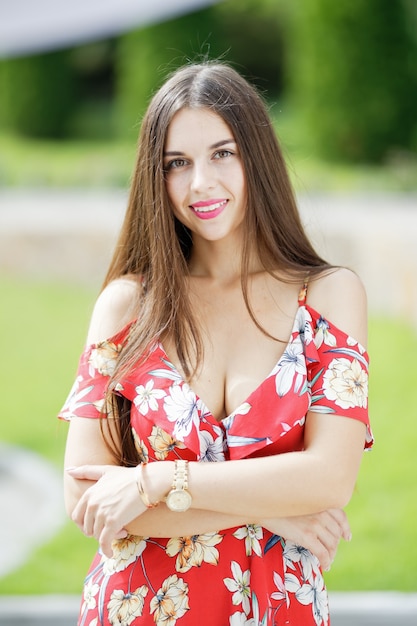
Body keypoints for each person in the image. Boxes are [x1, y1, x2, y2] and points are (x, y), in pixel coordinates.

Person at [59, 61, 373, 626]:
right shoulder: (129, 307)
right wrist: (276, 512)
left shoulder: (327, 297)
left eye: (222, 153)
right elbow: (86, 497)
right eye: (176, 164)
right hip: (139, 607)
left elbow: (329, 477)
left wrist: (154, 481)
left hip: (278, 609)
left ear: (258, 155)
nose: (200, 182)